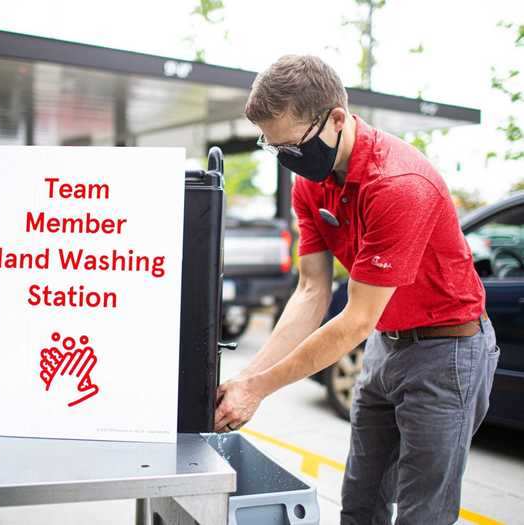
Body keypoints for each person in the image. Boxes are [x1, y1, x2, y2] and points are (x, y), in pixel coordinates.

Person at [213, 54, 500, 525]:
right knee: (361, 502)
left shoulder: (399, 184)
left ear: (337, 119)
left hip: (448, 353)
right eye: (274, 146)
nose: (288, 158)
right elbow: (311, 292)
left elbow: (356, 318)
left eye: (293, 144)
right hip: (386, 346)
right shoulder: (311, 183)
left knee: (421, 513)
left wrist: (260, 389)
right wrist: (247, 382)